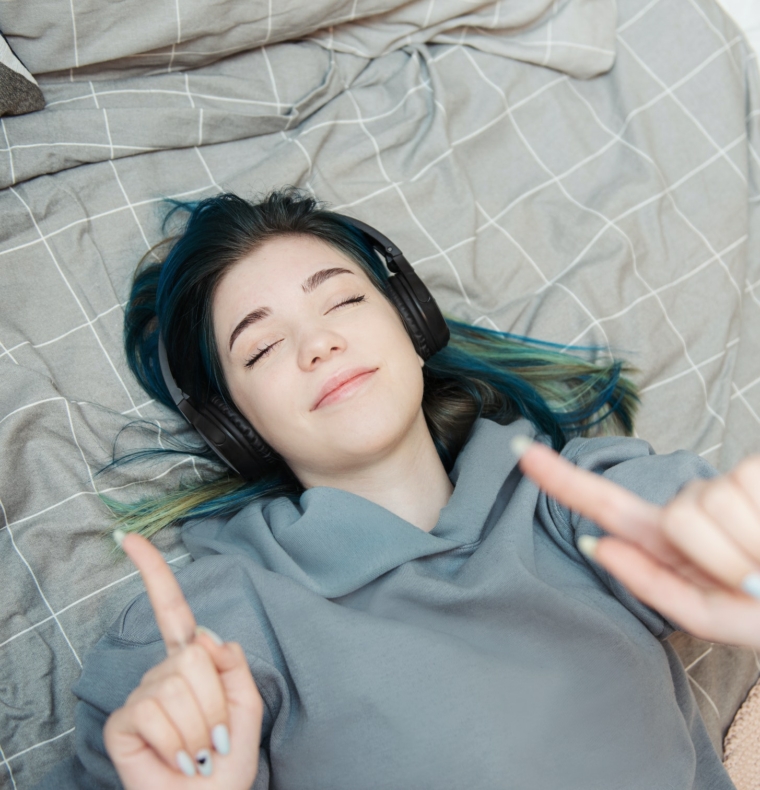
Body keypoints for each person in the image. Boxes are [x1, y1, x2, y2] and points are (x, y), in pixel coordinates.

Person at [38, 189, 760, 790]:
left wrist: (722, 546)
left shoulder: (571, 500)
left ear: (412, 323)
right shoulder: (212, 628)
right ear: (235, 423)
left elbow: (676, 516)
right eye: (260, 347)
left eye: (343, 302)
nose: (318, 343)